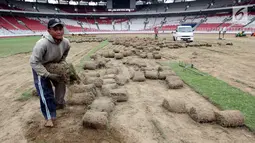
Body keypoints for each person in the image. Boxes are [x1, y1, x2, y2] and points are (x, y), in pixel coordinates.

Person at [30, 19, 71, 127]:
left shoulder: (66, 42)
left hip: (54, 65)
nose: (59, 31)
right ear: (49, 30)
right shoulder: (42, 44)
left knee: (62, 83)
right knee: (46, 93)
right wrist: (47, 75)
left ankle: (59, 103)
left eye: (60, 29)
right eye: (55, 29)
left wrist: (61, 65)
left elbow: (64, 56)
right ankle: (49, 117)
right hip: (40, 67)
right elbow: (34, 62)